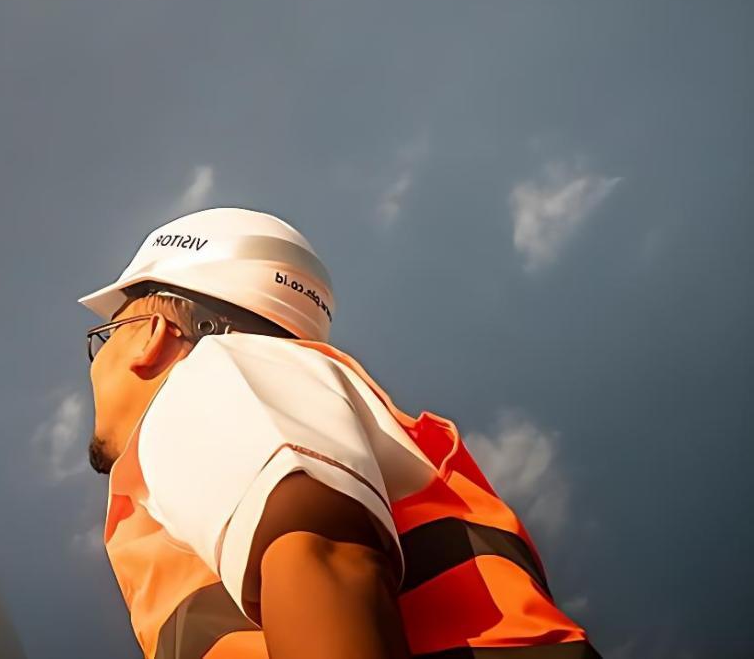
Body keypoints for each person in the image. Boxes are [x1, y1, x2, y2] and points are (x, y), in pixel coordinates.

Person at [79, 207, 596, 659]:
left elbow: (320, 555)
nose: (95, 367)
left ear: (151, 335)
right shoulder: (287, 395)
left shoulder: (216, 374)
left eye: (102, 340)